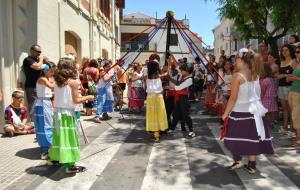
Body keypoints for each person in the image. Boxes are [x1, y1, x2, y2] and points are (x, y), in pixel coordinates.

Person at [222, 49, 274, 174]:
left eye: (236, 60)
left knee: (234, 137)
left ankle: (238, 161)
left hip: (240, 111)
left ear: (240, 60)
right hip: (255, 111)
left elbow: (233, 98)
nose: (235, 63)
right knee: (252, 138)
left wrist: (225, 114)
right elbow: (257, 93)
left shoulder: (237, 75)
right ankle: (252, 165)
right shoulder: (255, 73)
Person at [48, 59, 95, 173]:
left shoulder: (56, 81)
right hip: (67, 114)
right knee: (68, 139)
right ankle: (70, 166)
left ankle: (56, 158)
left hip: (58, 113)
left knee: (59, 138)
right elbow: (76, 100)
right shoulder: (73, 82)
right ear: (71, 68)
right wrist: (88, 97)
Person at [33, 62, 56, 159]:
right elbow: (52, 86)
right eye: (51, 71)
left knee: (49, 124)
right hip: (42, 104)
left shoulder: (48, 78)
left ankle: (48, 146)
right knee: (44, 125)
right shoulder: (42, 79)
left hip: (46, 103)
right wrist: (59, 78)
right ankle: (44, 150)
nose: (53, 73)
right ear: (45, 70)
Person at [169, 63, 196, 138]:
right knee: (175, 113)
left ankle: (191, 131)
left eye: (182, 71)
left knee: (186, 115)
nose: (181, 72)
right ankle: (172, 128)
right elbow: (177, 66)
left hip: (184, 99)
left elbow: (179, 88)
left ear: (187, 71)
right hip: (179, 97)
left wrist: (170, 87)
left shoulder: (190, 79)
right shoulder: (184, 76)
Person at [22, 44, 49, 119]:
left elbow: (48, 67)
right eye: (38, 51)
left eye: (40, 52)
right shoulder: (28, 60)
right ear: (32, 51)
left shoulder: (38, 60)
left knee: (41, 105)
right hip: (31, 86)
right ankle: (33, 123)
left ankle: (39, 122)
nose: (39, 53)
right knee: (33, 105)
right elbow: (37, 67)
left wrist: (46, 60)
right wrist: (41, 59)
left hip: (40, 86)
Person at [276, 44, 298, 132]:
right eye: (283, 50)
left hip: (291, 87)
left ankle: (293, 127)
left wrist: (284, 76)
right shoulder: (281, 62)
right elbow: (277, 76)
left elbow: (296, 74)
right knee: (284, 108)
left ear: (290, 51)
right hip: (281, 87)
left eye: (286, 50)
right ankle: (285, 126)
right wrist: (285, 75)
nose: (284, 52)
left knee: (291, 108)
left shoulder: (294, 62)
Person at [146, 60, 168, 142]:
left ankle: (155, 132)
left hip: (150, 97)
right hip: (158, 97)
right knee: (159, 114)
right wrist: (168, 62)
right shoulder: (159, 76)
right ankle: (157, 133)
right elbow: (167, 73)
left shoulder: (147, 76)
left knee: (152, 115)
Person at [287, 45, 300, 146]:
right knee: (294, 115)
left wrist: (296, 79)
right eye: (296, 52)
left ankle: (298, 139)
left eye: (299, 52)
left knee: (296, 115)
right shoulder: (297, 64)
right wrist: (290, 78)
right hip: (293, 91)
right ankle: (297, 137)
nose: (297, 54)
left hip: (298, 93)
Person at [260, 64, 278, 129]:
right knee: (271, 112)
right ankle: (271, 122)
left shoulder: (264, 81)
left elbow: (263, 92)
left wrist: (259, 98)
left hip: (265, 99)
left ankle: (267, 123)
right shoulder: (272, 79)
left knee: (265, 113)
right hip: (272, 98)